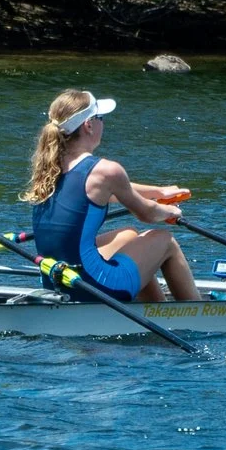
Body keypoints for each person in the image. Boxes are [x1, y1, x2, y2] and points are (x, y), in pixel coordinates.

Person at [22, 90, 199, 302]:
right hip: (93, 286)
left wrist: (159, 192)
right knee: (164, 240)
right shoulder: (107, 171)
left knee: (128, 235)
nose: (103, 124)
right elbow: (148, 214)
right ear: (88, 125)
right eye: (100, 118)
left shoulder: (49, 169)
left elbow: (116, 191)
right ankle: (196, 313)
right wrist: (171, 210)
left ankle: (154, 308)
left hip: (55, 280)